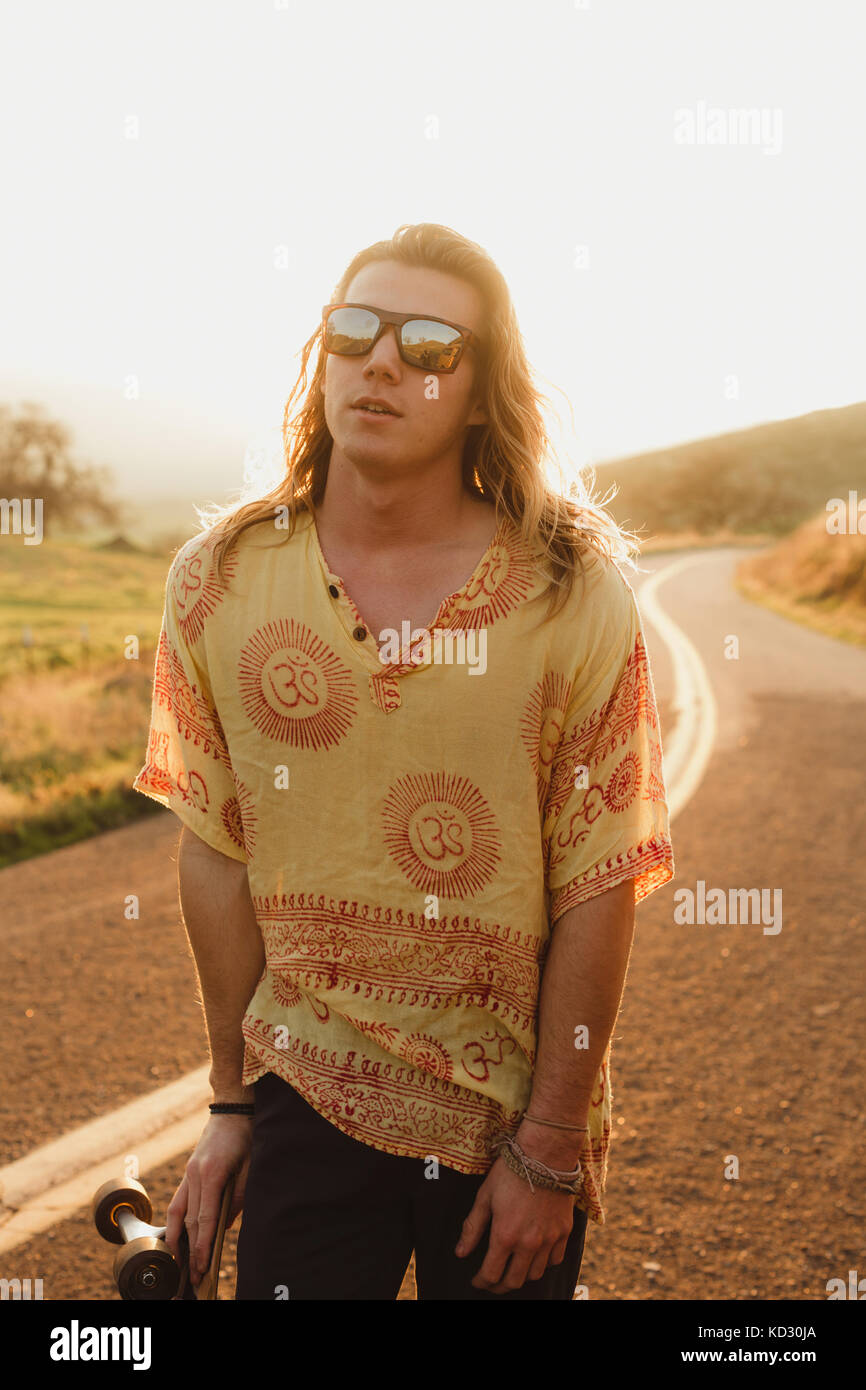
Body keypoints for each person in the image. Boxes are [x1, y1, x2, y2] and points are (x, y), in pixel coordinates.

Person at [132, 221, 675, 1301]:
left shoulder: (571, 590)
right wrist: (231, 1104)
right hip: (305, 1094)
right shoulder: (220, 579)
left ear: (479, 393)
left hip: (510, 1125)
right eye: (353, 331)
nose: (380, 361)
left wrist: (553, 1143)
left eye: (428, 345)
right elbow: (215, 852)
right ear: (321, 357)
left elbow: (600, 874)